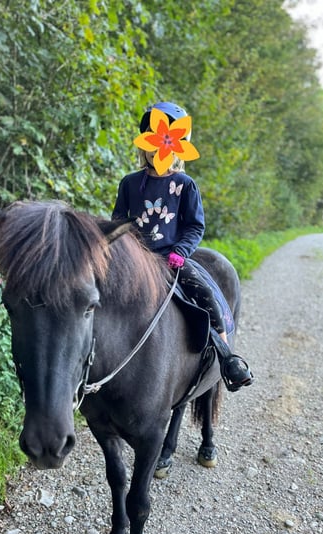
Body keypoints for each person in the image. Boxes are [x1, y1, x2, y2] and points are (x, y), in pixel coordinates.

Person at [111, 101, 253, 390]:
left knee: (203, 291)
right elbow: (118, 221)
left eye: (166, 145)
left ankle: (227, 356)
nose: (158, 151)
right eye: (153, 143)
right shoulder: (129, 184)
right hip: (135, 260)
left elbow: (195, 225)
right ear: (145, 145)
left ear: (177, 149)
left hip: (170, 258)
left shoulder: (185, 185)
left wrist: (180, 252)